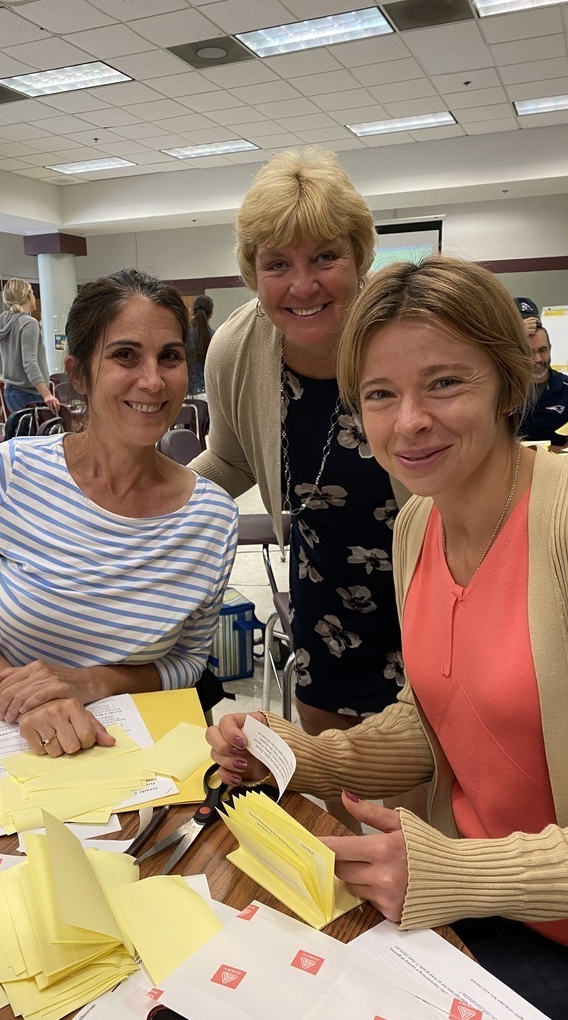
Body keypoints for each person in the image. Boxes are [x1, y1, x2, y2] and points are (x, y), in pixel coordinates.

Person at [208, 256, 568, 1020]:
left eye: (444, 383)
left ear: (506, 380)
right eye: (380, 395)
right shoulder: (418, 526)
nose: (408, 423)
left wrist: (461, 873)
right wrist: (300, 755)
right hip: (473, 907)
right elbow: (441, 717)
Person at [0, 268, 238, 756]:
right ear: (78, 374)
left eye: (170, 357)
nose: (153, 380)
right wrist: (28, 703)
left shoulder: (212, 517)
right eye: (124, 355)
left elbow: (188, 661)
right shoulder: (3, 475)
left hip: (132, 751)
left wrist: (94, 682)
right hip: (6, 741)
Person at [191, 147, 407, 738]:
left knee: (430, 803)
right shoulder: (236, 351)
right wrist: (138, 503)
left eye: (325, 257)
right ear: (251, 271)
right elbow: (230, 460)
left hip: (434, 589)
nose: (302, 284)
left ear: (361, 256)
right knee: (336, 785)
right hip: (325, 596)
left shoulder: (406, 333)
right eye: (277, 263)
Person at [0, 279, 60, 416]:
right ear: (28, 295)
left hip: (10, 392)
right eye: (33, 292)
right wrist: (47, 395)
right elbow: (29, 363)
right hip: (29, 394)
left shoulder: (2, 321)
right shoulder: (29, 323)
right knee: (38, 436)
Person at [517, 324, 568, 445]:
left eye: (543, 350)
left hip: (558, 457)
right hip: (515, 458)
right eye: (530, 352)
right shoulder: (507, 387)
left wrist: (559, 456)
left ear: (550, 349)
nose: (538, 359)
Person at [187, 294, 214, 394]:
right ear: (211, 314)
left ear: (192, 311)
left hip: (190, 395)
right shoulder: (217, 338)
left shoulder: (183, 338)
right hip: (211, 395)